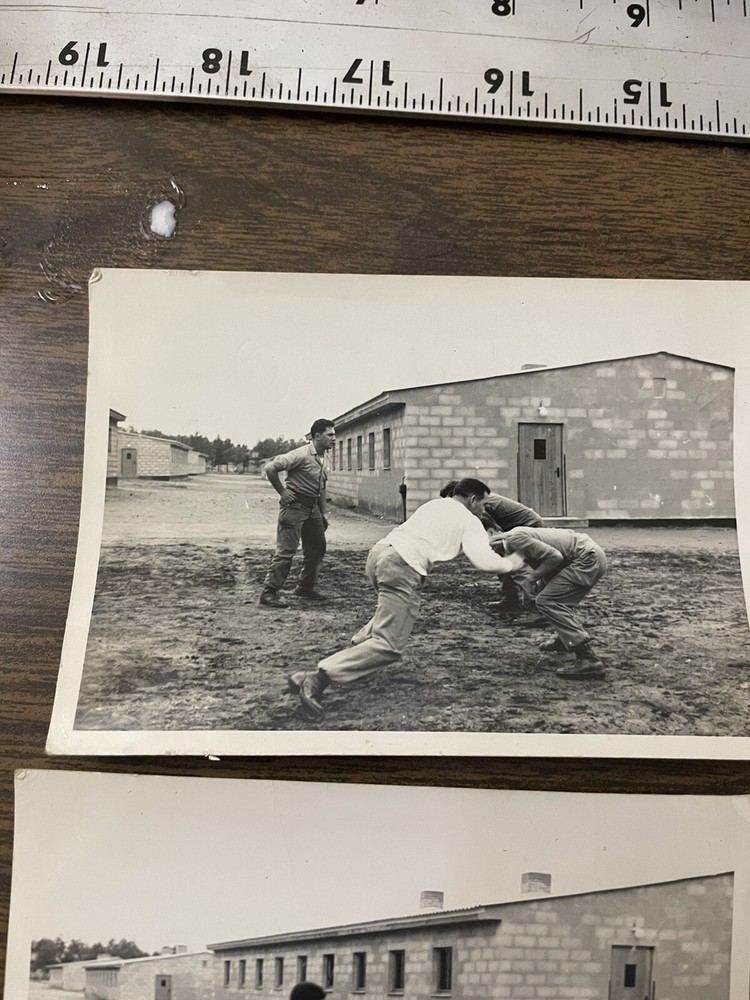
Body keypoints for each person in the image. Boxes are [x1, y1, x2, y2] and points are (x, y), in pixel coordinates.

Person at [288, 478, 526, 716]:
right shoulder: (469, 520)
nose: (483, 510)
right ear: (473, 499)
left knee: (392, 613)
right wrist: (513, 563)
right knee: (389, 645)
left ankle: (357, 649)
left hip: (378, 554)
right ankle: (320, 677)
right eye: (483, 504)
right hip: (401, 565)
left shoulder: (434, 504)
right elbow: (483, 560)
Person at [492, 526, 607, 680]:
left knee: (548, 601)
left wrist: (532, 578)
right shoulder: (513, 539)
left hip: (587, 558)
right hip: (588, 555)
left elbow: (555, 557)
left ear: (491, 533)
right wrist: (535, 583)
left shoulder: (513, 540)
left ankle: (588, 658)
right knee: (550, 596)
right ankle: (565, 639)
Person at [259, 419, 336, 608]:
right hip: (294, 506)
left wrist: (323, 513)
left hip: (312, 507)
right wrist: (283, 492)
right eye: (330, 435)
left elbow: (322, 487)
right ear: (317, 436)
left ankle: (305, 587)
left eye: (334, 435)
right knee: (286, 550)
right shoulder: (300, 454)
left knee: (317, 546)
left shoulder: (324, 457)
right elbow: (270, 468)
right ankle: (269, 592)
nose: (334, 438)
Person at [440, 480, 543, 612]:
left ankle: (535, 606)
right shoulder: (474, 502)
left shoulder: (479, 504)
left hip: (529, 525)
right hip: (513, 527)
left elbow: (494, 533)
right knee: (501, 555)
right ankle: (511, 599)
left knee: (516, 562)